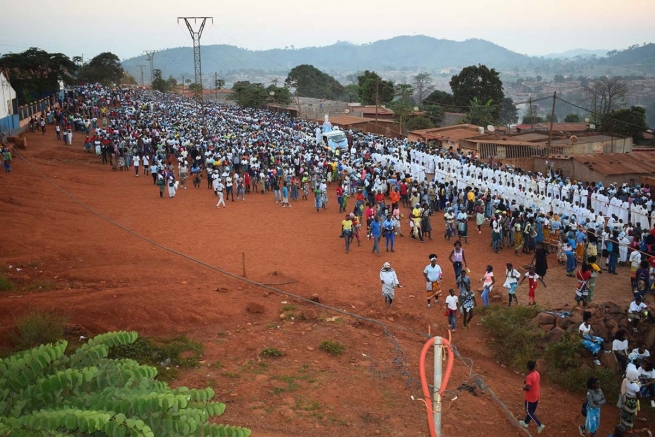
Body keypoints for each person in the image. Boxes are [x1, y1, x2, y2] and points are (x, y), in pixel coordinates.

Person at [519, 360, 545, 434]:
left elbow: (528, 388)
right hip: (536, 395)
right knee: (532, 411)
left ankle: (539, 424)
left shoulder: (529, 376)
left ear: (527, 367)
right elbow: (534, 381)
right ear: (534, 366)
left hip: (530, 397)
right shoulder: (537, 373)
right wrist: (527, 381)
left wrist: (524, 388)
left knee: (528, 411)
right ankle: (526, 423)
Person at [619, 367, 640, 432]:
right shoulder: (636, 386)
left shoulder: (626, 381)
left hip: (626, 398)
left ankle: (622, 425)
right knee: (631, 414)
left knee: (625, 412)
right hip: (632, 401)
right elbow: (638, 395)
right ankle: (629, 428)